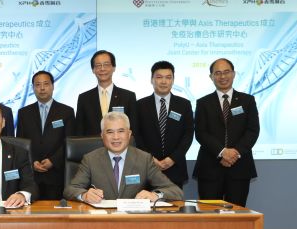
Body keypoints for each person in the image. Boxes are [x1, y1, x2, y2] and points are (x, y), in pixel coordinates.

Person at [63, 111, 183, 203]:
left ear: (129, 134)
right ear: (102, 136)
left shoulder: (144, 159)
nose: (116, 137)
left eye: (121, 131)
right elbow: (70, 190)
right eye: (110, 132)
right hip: (101, 221)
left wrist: (155, 195)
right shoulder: (90, 159)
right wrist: (84, 195)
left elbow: (175, 191)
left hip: (133, 221)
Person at [193, 58, 259, 207]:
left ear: (234, 74)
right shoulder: (203, 103)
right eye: (217, 73)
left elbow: (252, 130)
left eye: (226, 72)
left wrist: (234, 153)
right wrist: (222, 152)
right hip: (210, 168)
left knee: (237, 215)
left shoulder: (247, 100)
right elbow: (200, 132)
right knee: (208, 214)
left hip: (240, 168)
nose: (222, 77)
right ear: (211, 77)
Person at [133, 61, 194, 189]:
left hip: (175, 168)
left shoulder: (184, 104)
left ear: (173, 80)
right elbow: (136, 135)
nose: (164, 81)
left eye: (168, 77)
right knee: (147, 207)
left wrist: (173, 158)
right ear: (151, 80)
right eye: (159, 77)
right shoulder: (140, 105)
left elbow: (188, 135)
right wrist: (150, 159)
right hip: (147, 167)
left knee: (175, 207)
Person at [16, 70, 75, 200]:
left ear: (53, 86)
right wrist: (32, 161)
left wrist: (53, 161)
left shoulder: (67, 112)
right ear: (33, 88)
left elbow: (69, 142)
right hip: (31, 176)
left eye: (46, 84)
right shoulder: (23, 113)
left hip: (57, 175)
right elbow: (20, 143)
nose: (42, 88)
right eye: (37, 85)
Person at [75, 50, 138, 138]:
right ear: (93, 70)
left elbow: (134, 128)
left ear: (114, 68)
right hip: (92, 149)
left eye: (106, 64)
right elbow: (79, 130)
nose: (102, 69)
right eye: (98, 65)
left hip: (120, 147)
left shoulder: (128, 96)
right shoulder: (84, 98)